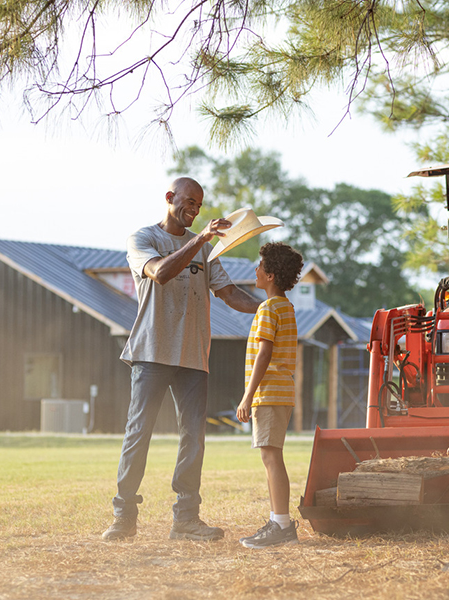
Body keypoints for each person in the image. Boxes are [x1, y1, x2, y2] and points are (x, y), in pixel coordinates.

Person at [102, 177, 261, 542]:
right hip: (152, 352)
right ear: (170, 198)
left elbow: (229, 292)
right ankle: (124, 516)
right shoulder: (143, 239)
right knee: (138, 433)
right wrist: (201, 238)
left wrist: (270, 308)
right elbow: (160, 273)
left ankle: (186, 519)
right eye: (189, 201)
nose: (194, 209)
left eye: (199, 205)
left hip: (193, 355)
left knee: (194, 436)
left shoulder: (206, 251)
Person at [235, 242, 305, 549]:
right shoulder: (285, 307)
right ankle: (278, 520)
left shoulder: (268, 308)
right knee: (270, 456)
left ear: (271, 276)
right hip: (280, 392)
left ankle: (281, 524)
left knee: (271, 457)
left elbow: (264, 353)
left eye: (260, 266)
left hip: (269, 392)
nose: (256, 271)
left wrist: (247, 396)